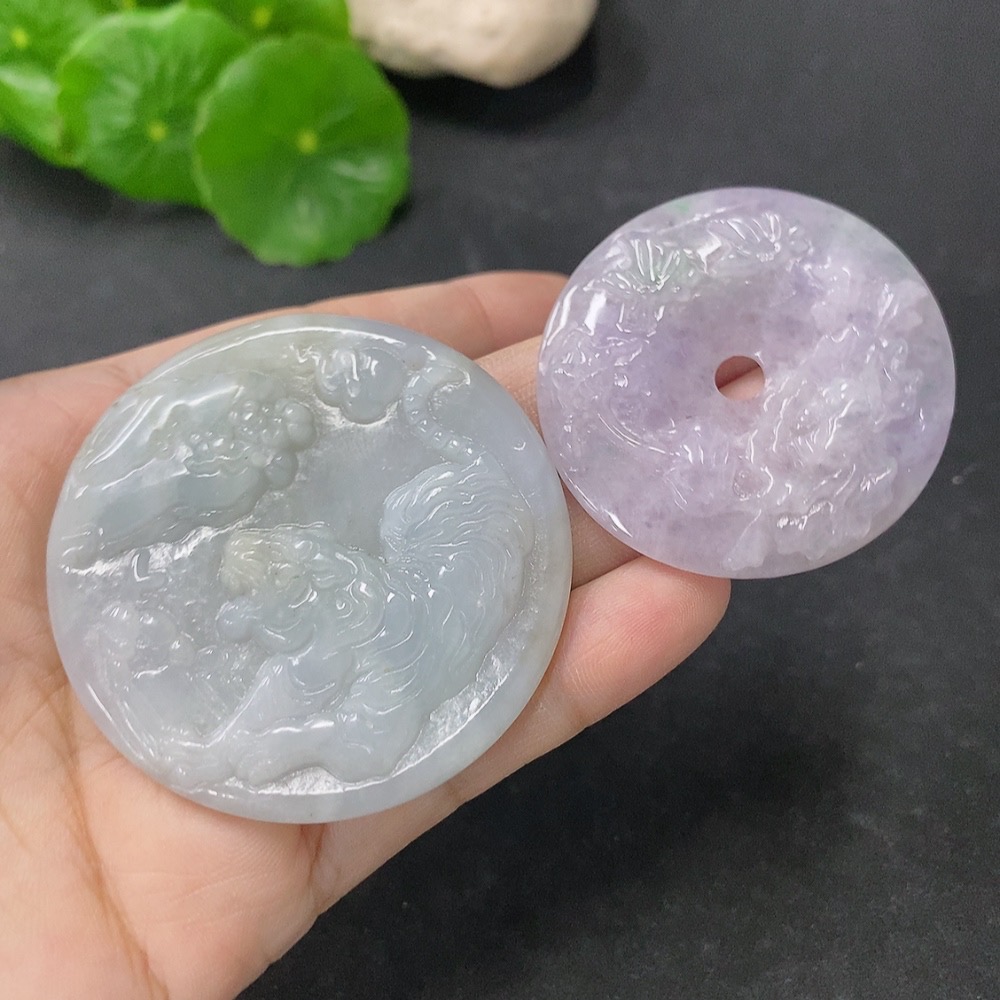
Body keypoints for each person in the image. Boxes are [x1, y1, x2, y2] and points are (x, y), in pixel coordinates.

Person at [0, 272, 730, 999]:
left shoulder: (379, 646)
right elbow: (294, 678)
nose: (238, 622)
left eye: (259, 603)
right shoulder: (329, 627)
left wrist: (284, 744)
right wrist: (229, 745)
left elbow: (373, 743)